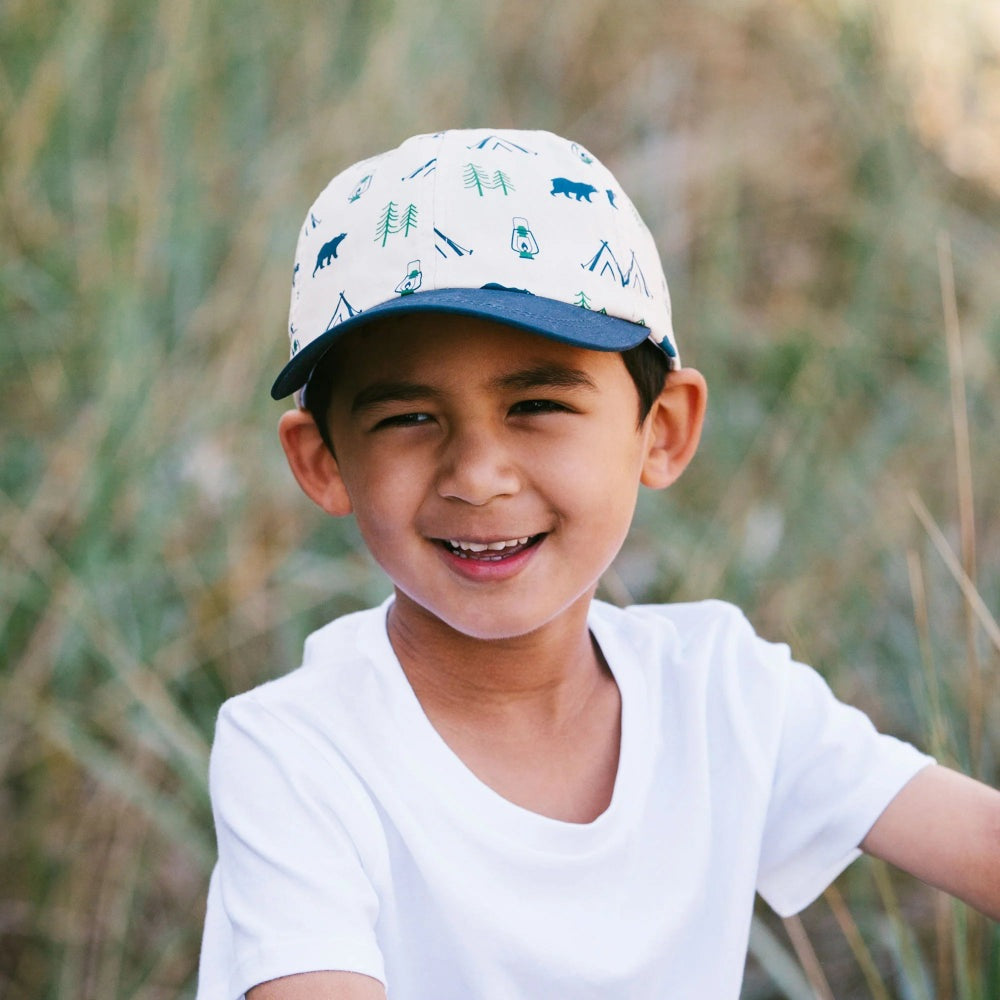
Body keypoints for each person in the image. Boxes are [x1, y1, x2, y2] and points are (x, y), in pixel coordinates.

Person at [196, 129, 999, 1000]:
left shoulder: (723, 693)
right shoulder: (295, 750)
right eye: (407, 418)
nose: (478, 475)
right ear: (323, 461)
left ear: (663, 431)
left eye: (537, 405)